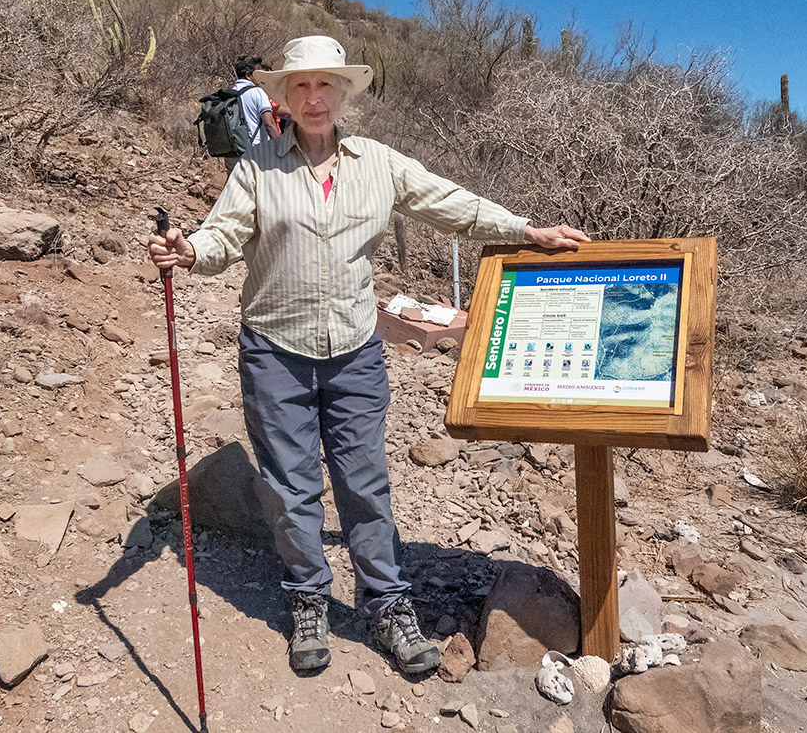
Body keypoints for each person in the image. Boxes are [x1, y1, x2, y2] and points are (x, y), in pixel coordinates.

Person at [149, 35, 588, 676]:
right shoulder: (257, 166)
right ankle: (307, 600)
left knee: (364, 482)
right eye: (300, 86)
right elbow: (221, 234)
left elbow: (446, 201)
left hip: (355, 352)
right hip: (276, 350)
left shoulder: (378, 162)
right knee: (291, 486)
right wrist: (189, 251)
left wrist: (525, 230)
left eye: (325, 84)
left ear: (343, 93)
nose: (314, 97)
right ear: (284, 97)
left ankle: (386, 603)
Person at [227, 54, 281, 173]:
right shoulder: (257, 92)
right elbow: (269, 124)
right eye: (258, 73)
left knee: (235, 187)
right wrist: (280, 148)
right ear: (248, 75)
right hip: (255, 151)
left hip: (233, 152)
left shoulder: (229, 94)